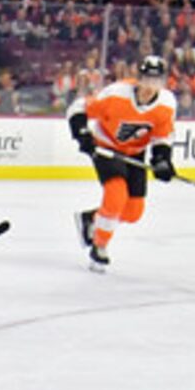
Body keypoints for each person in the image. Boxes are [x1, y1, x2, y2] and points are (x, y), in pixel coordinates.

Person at [67, 53, 176, 271]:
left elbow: (162, 137)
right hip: (106, 147)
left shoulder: (166, 104)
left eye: (156, 81)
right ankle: (99, 247)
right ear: (139, 77)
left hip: (135, 153)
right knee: (116, 195)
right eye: (147, 79)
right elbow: (77, 108)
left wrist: (162, 160)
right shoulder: (116, 94)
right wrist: (82, 134)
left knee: (133, 212)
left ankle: (92, 219)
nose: (150, 86)